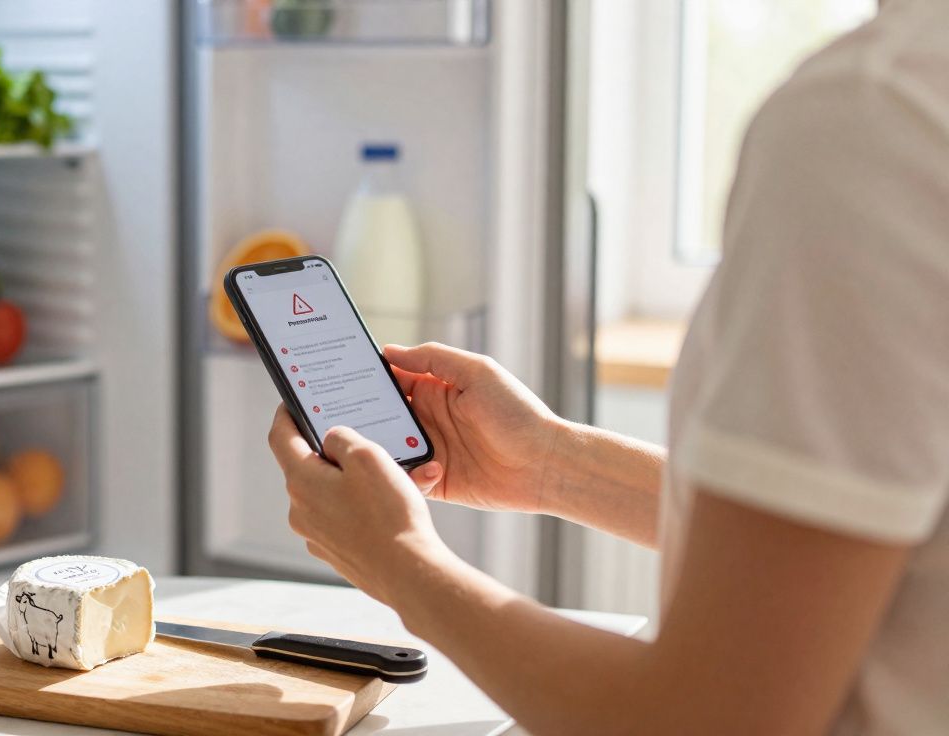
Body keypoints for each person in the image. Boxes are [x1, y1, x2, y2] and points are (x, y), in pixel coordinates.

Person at [267, 1, 949, 733]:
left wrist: (403, 565)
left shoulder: (876, 115)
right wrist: (550, 462)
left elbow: (709, 720)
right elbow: (865, 531)